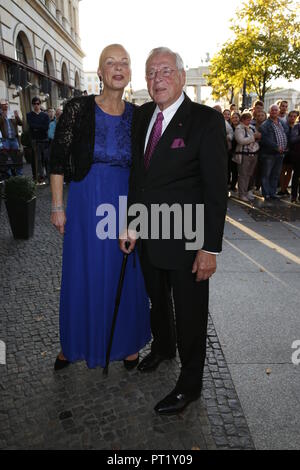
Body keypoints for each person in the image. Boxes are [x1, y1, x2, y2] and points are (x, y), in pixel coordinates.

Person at [120, 47, 227, 415]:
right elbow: (139, 178)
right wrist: (132, 224)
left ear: (182, 76)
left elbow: (216, 190)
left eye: (165, 70)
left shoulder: (205, 121)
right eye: (151, 72)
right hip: (149, 236)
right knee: (157, 299)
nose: (157, 78)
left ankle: (190, 384)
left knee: (191, 312)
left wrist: (209, 248)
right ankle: (163, 347)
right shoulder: (143, 116)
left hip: (188, 239)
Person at [49, 44, 150, 371]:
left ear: (130, 72)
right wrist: (56, 205)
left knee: (126, 272)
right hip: (85, 202)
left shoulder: (138, 117)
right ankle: (74, 343)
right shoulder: (78, 109)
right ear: (101, 71)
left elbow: (146, 168)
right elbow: (58, 160)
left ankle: (128, 342)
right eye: (111, 62)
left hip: (123, 205)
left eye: (124, 62)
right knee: (84, 273)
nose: (118, 68)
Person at [259, 104, 289, 201]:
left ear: (278, 111)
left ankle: (272, 193)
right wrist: (276, 147)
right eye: (272, 110)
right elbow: (265, 140)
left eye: (276, 110)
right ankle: (266, 194)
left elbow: (286, 133)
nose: (274, 112)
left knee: (275, 174)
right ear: (269, 112)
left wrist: (285, 146)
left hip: (281, 153)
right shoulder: (265, 125)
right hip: (269, 154)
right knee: (266, 174)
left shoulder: (281, 122)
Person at [234, 111, 260, 202]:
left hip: (254, 154)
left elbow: (259, 136)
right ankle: (241, 194)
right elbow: (241, 141)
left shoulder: (252, 127)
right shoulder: (239, 128)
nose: (249, 121)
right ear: (243, 119)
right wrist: (253, 137)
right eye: (247, 119)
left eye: (250, 119)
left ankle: (247, 192)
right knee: (243, 175)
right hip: (244, 155)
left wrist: (257, 136)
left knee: (250, 175)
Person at [27, 97, 50, 183]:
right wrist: (39, 126)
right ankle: (40, 176)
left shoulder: (45, 115)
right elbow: (31, 125)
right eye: (34, 104)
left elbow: (46, 127)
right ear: (32, 105)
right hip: (35, 140)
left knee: (46, 159)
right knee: (38, 159)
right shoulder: (29, 115)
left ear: (40, 104)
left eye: (38, 103)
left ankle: (48, 176)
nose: (36, 105)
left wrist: (37, 127)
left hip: (44, 139)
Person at [277, 110, 299, 196]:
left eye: (294, 116)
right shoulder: (284, 126)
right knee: (282, 170)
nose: (293, 118)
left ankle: (285, 188)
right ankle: (282, 188)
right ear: (288, 116)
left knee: (289, 171)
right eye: (291, 116)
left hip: (293, 152)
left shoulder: (297, 126)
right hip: (284, 150)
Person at [0, 100, 23, 176]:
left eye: (6, 104)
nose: (5, 105)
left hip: (14, 139)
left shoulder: (11, 113)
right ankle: (9, 176)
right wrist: (2, 118)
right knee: (6, 158)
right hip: (5, 140)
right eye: (3, 104)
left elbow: (21, 123)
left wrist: (17, 116)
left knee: (17, 157)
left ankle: (19, 175)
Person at [289, 113, 300, 203]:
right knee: (296, 175)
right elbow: (293, 139)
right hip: (297, 155)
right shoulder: (297, 127)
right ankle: (293, 196)